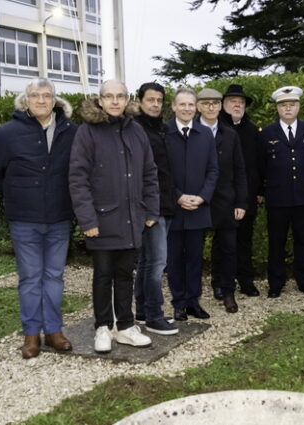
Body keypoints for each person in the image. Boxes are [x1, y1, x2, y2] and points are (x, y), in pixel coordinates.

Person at [0, 78, 78, 358]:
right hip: (24, 219)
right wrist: (20, 194)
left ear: (55, 100)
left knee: (54, 277)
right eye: (35, 96)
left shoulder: (72, 132)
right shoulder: (5, 134)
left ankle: (53, 331)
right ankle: (31, 335)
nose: (41, 100)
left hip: (60, 218)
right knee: (29, 278)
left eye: (47, 95)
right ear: (26, 101)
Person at [69, 80, 160, 353]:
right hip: (102, 220)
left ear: (127, 98)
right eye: (109, 96)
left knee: (125, 274)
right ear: (100, 100)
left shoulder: (136, 131)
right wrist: (88, 220)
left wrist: (151, 210)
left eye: (120, 96)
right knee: (103, 275)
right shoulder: (87, 132)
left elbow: (149, 173)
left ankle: (126, 326)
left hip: (133, 218)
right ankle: (103, 327)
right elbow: (77, 178)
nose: (115, 101)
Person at [259, 86, 304, 298]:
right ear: (277, 108)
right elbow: (262, 165)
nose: (288, 108)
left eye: (292, 104)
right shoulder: (267, 133)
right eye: (283, 105)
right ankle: (276, 283)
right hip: (278, 197)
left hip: (303, 197)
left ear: (298, 107)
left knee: (303, 240)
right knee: (277, 242)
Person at [164, 88, 219, 321]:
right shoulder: (163, 133)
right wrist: (178, 196)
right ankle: (178, 302)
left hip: (198, 207)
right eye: (182, 104)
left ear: (196, 107)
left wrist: (202, 196)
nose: (186, 108)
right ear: (174, 107)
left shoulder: (205, 134)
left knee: (195, 258)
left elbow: (213, 170)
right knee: (174, 258)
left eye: (190, 104)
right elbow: (159, 173)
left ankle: (193, 301)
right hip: (173, 208)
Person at [132, 82, 179, 336]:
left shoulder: (161, 129)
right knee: (157, 263)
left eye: (159, 100)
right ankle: (154, 315)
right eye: (150, 99)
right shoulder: (136, 129)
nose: (155, 104)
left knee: (148, 260)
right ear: (140, 101)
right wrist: (146, 209)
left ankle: (141, 309)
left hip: (166, 204)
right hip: (151, 207)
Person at [198, 88, 248, 313]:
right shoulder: (191, 131)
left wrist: (241, 202)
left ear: (220, 107)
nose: (211, 108)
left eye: (215, 104)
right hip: (197, 201)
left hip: (226, 201)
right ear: (199, 106)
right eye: (206, 103)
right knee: (193, 250)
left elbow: (240, 170)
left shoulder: (230, 135)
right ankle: (190, 296)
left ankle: (226, 290)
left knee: (228, 248)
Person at [219, 84, 262, 297]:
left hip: (247, 196)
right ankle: (220, 284)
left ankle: (246, 281)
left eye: (241, 103)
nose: (237, 105)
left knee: (245, 241)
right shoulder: (215, 127)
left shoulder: (253, 131)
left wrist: (259, 190)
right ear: (223, 105)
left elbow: (258, 164)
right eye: (233, 102)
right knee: (222, 243)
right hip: (222, 197)